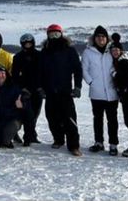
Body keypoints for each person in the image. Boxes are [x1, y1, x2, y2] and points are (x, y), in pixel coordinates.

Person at [38, 24, 83, 156]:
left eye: (56, 34)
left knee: (69, 118)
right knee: (52, 117)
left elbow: (77, 69)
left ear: (62, 34)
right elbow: (39, 71)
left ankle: (74, 145)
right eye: (51, 34)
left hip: (65, 91)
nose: (54, 37)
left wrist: (78, 86)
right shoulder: (45, 52)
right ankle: (58, 139)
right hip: (50, 91)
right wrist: (40, 87)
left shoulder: (69, 50)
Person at [82, 25, 119, 155]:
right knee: (98, 119)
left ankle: (113, 144)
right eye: (98, 36)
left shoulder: (112, 50)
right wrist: (91, 82)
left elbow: (119, 64)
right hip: (96, 92)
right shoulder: (88, 52)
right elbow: (84, 70)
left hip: (111, 92)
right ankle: (99, 142)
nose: (100, 39)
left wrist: (116, 77)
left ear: (106, 38)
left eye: (103, 36)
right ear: (94, 38)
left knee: (112, 120)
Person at [12, 33, 42, 146]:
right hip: (24, 90)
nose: (27, 45)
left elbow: (43, 73)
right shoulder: (18, 57)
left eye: (29, 43)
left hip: (37, 90)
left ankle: (32, 135)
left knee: (35, 114)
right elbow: (15, 75)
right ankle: (27, 137)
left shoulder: (39, 56)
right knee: (26, 114)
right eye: (26, 44)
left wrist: (41, 87)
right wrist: (21, 88)